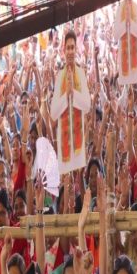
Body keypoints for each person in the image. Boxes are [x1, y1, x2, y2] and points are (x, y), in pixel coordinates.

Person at [50, 28, 92, 176]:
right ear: (63, 50)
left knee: (78, 185)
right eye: (67, 48)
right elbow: (53, 113)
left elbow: (87, 105)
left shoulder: (81, 73)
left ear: (76, 49)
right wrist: (66, 94)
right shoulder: (59, 76)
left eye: (72, 47)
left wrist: (73, 93)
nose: (70, 51)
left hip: (79, 149)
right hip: (64, 148)